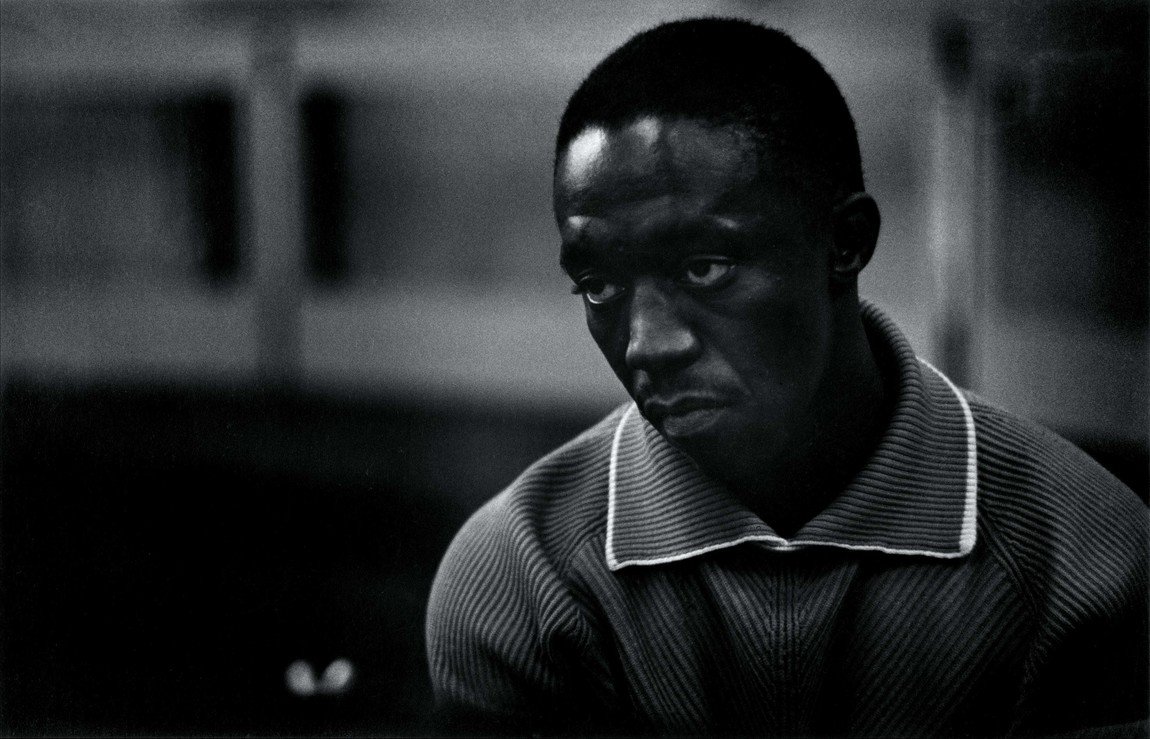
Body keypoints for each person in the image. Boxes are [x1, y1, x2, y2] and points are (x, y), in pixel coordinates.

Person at [425, 17, 1148, 737]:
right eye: (599, 283)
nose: (647, 343)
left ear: (845, 243)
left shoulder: (1090, 570)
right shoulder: (520, 582)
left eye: (704, 267)